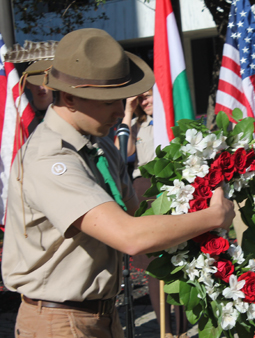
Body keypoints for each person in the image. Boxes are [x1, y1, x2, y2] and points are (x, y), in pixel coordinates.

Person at [1, 28, 235, 338]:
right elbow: (130, 237)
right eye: (107, 100)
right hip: (57, 322)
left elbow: (140, 222)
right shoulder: (50, 157)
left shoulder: (100, 146)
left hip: (100, 316)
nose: (119, 110)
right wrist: (213, 216)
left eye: (122, 98)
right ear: (69, 97)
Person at [117, 90, 189, 338]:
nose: (145, 102)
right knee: (152, 265)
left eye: (149, 96)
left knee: (176, 261)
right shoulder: (137, 125)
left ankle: (180, 331)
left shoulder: (174, 121)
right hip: (144, 191)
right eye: (141, 98)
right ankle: (164, 331)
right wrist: (128, 111)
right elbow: (121, 154)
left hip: (172, 190)